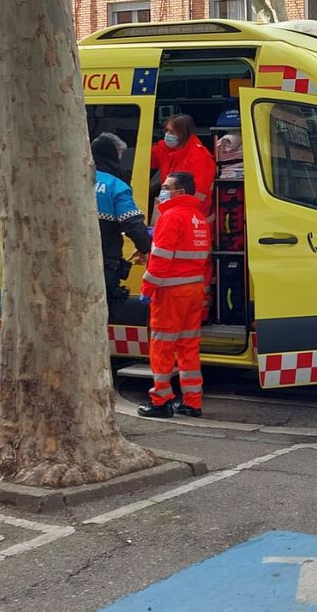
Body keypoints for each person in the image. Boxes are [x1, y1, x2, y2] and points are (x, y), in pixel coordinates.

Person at [138, 171, 212, 419]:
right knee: (188, 347)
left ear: (180, 192)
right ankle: (192, 401)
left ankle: (161, 401)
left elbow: (160, 260)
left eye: (166, 187)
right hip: (194, 290)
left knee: (162, 347)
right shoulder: (198, 217)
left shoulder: (170, 217)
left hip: (171, 292)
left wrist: (147, 288)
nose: (162, 190)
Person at [93, 133, 151, 315]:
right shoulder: (116, 186)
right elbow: (132, 223)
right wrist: (146, 247)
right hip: (103, 264)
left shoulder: (72, 179)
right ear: (112, 154)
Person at [150, 113, 216, 221]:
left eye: (172, 132)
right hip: (169, 211)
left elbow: (198, 196)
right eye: (167, 131)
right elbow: (145, 160)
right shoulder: (166, 149)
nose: (167, 135)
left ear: (183, 133)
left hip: (191, 217)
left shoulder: (200, 157)